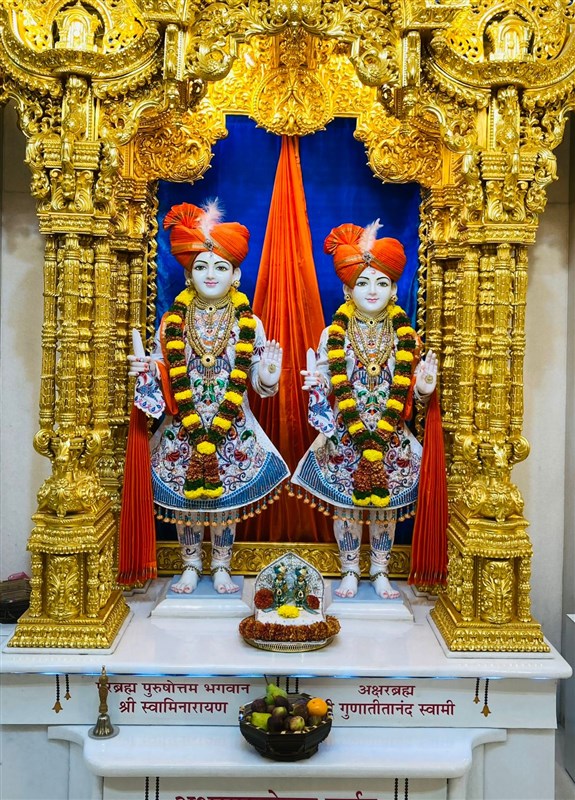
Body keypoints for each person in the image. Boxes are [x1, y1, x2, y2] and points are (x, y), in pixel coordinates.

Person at [128, 201, 289, 595]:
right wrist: (149, 371)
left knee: (225, 500)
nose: (211, 274)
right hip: (184, 425)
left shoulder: (250, 322)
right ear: (188, 274)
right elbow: (164, 369)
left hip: (231, 425)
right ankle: (189, 564)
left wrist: (268, 375)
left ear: (236, 274)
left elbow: (256, 378)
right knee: (187, 500)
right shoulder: (173, 320)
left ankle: (220, 565)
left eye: (221, 267)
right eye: (201, 267)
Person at [292, 220, 437, 600]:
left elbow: (413, 398)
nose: (372, 291)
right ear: (347, 289)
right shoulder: (333, 334)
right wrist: (318, 384)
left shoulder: (406, 336)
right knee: (348, 507)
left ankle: (381, 571)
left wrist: (424, 387)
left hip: (390, 436)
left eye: (382, 283)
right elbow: (327, 383)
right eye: (363, 283)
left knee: (385, 509)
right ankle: (350, 570)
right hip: (347, 435)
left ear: (394, 290)